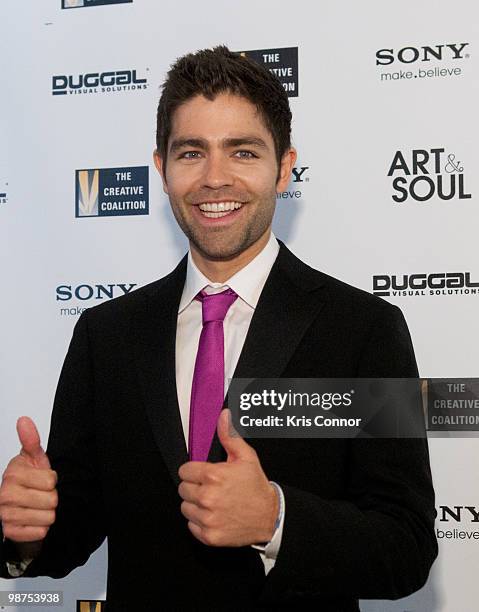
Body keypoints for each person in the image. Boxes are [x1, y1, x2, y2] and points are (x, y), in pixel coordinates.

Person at [0, 46, 437, 610]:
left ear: (283, 168)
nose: (214, 178)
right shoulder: (105, 334)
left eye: (243, 151)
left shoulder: (364, 329)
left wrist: (275, 519)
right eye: (191, 153)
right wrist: (28, 530)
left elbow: (405, 547)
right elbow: (74, 530)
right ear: (161, 170)